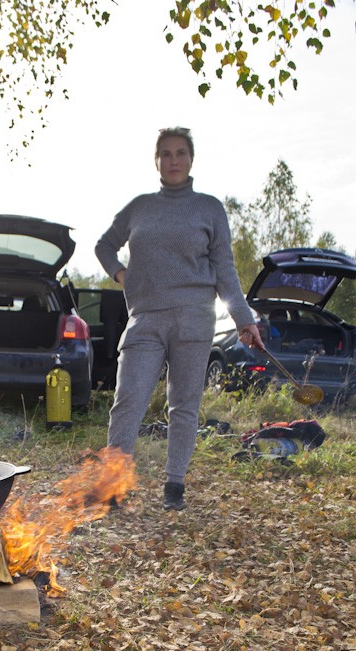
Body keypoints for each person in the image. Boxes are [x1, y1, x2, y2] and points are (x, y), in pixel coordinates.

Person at [95, 126, 263, 511]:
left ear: (191, 159)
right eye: (166, 154)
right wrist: (122, 275)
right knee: (128, 399)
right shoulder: (139, 207)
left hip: (193, 319)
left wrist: (243, 318)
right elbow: (104, 245)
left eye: (180, 153)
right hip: (144, 319)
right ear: (157, 161)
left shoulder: (209, 208)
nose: (173, 160)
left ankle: (174, 485)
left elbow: (225, 269)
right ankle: (113, 485)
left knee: (183, 405)